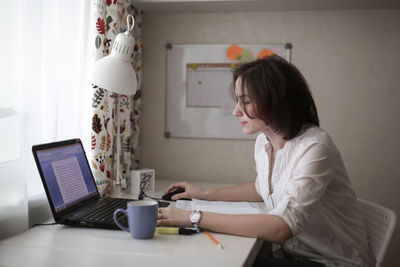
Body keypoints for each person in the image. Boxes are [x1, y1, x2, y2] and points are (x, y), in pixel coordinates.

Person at [157, 55, 375, 267]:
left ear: (275, 101)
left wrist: (193, 217)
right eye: (237, 101)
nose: (235, 111)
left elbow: (281, 229)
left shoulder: (315, 146)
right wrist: (202, 193)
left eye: (246, 102)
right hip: (293, 256)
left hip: (331, 261)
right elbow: (264, 189)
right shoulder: (264, 142)